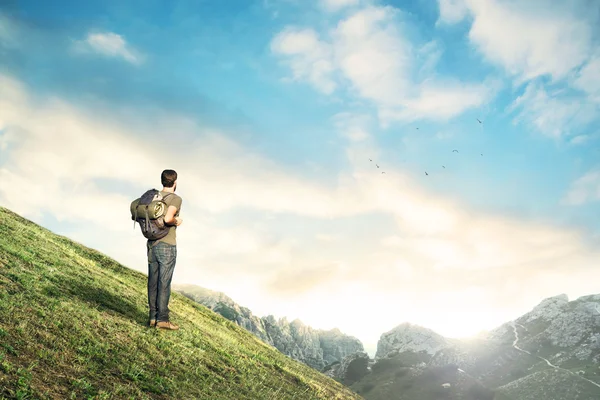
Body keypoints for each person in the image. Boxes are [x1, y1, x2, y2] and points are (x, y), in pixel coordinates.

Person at [147, 169, 183, 330]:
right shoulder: (175, 198)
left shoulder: (154, 196)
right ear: (175, 182)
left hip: (151, 243)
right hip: (167, 244)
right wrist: (177, 221)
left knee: (153, 281)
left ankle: (153, 317)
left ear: (162, 181)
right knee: (164, 282)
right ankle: (163, 319)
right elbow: (168, 218)